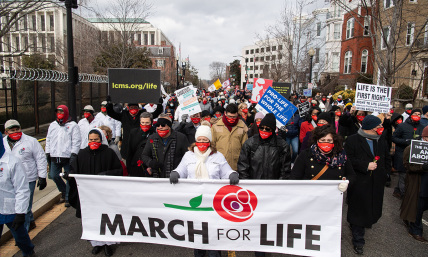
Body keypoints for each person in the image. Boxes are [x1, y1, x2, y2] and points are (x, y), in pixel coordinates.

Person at [68, 128, 122, 256]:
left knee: (106, 218)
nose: (93, 142)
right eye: (91, 140)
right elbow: (75, 170)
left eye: (96, 140)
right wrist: (69, 175)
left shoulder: (109, 153)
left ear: (101, 139)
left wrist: (106, 174)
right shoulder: (82, 154)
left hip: (105, 194)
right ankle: (97, 243)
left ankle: (108, 244)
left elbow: (119, 171)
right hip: (88, 195)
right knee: (92, 218)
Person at [344, 115, 391, 255]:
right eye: (378, 127)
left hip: (376, 182)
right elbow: (348, 159)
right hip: (359, 181)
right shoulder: (353, 140)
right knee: (358, 210)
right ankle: (358, 240)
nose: (380, 129)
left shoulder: (380, 140)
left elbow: (387, 157)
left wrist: (386, 174)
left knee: (372, 207)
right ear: (371, 128)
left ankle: (364, 223)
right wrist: (365, 165)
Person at [3, 120, 47, 231]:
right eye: (12, 130)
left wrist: (42, 176)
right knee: (16, 205)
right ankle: (31, 221)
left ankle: (24, 232)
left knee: (24, 207)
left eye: (17, 129)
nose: (16, 132)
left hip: (28, 178)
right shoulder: (2, 143)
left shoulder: (31, 141)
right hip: (9, 180)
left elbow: (40, 158)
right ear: (6, 132)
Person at [0, 132, 36, 257]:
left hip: (11, 209)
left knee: (20, 238)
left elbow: (22, 188)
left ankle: (28, 252)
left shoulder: (12, 162)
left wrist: (21, 213)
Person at [290, 126, 355, 185]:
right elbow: (295, 177)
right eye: (323, 140)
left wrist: (346, 183)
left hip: (335, 194)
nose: (326, 143)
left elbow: (351, 175)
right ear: (317, 141)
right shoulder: (306, 154)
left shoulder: (341, 155)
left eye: (329, 140)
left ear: (334, 141)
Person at [45, 105, 81, 207]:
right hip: (54, 155)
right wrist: (48, 152)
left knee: (68, 176)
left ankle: (68, 197)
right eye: (58, 112)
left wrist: (74, 154)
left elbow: (76, 141)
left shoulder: (73, 125)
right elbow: (48, 139)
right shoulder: (52, 125)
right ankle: (64, 191)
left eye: (62, 112)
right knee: (53, 175)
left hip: (67, 156)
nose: (60, 114)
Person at [238, 113, 292, 180]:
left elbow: (285, 170)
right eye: (261, 128)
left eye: (267, 129)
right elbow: (243, 166)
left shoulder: (282, 145)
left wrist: (279, 185)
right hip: (253, 186)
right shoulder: (250, 143)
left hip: (274, 186)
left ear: (272, 130)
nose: (263, 130)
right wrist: (248, 184)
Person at [400, 126, 428, 242]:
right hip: (419, 183)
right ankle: (415, 229)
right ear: (425, 137)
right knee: (418, 206)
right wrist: (422, 167)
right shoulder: (412, 148)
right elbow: (407, 166)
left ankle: (409, 219)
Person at [392, 109, 425, 199]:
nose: (417, 116)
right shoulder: (402, 126)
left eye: (419, 114)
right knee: (403, 175)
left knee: (408, 175)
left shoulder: (422, 127)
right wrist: (405, 141)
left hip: (415, 156)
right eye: (415, 114)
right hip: (402, 154)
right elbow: (394, 138)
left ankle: (399, 190)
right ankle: (405, 196)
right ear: (411, 115)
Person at [211, 104, 248, 170]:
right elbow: (212, 145)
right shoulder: (216, 126)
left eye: (234, 117)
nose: (231, 119)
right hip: (220, 165)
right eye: (229, 116)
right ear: (225, 113)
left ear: (237, 114)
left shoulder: (242, 126)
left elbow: (245, 147)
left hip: (236, 165)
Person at [126, 112, 156, 177]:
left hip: (149, 168)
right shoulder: (133, 132)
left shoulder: (155, 134)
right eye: (143, 122)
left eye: (147, 123)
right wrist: (128, 168)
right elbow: (129, 151)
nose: (145, 125)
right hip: (135, 166)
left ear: (151, 122)